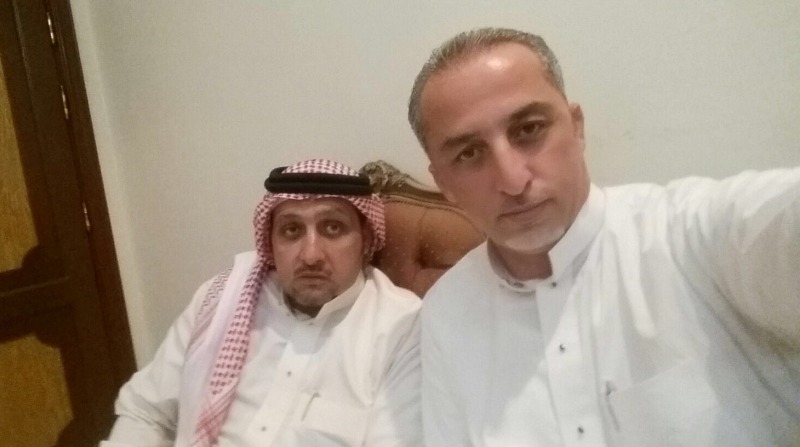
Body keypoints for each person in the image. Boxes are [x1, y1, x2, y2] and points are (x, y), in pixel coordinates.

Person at [409, 27, 800, 446]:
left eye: (529, 129)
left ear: (576, 127)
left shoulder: (688, 235)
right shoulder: (446, 312)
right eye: (469, 153)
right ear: (443, 183)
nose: (512, 179)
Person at [102, 159, 422, 447]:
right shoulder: (221, 298)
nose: (311, 255)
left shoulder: (403, 328)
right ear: (270, 242)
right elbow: (145, 414)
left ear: (366, 241)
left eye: (333, 228)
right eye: (292, 230)